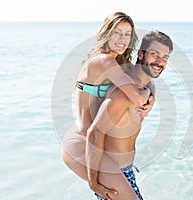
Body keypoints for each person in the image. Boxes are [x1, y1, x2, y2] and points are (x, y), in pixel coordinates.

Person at [61, 12, 154, 200]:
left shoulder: (116, 63)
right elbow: (137, 96)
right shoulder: (105, 61)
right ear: (107, 33)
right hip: (83, 143)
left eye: (127, 34)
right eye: (117, 33)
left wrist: (152, 94)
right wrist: (146, 95)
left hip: (98, 147)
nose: (123, 39)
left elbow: (145, 77)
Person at [86, 31, 173, 200]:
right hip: (113, 173)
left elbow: (149, 83)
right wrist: (94, 183)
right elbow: (94, 133)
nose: (160, 61)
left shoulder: (144, 85)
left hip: (126, 170)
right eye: (154, 54)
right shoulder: (125, 92)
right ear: (140, 54)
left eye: (165, 57)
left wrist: (151, 94)